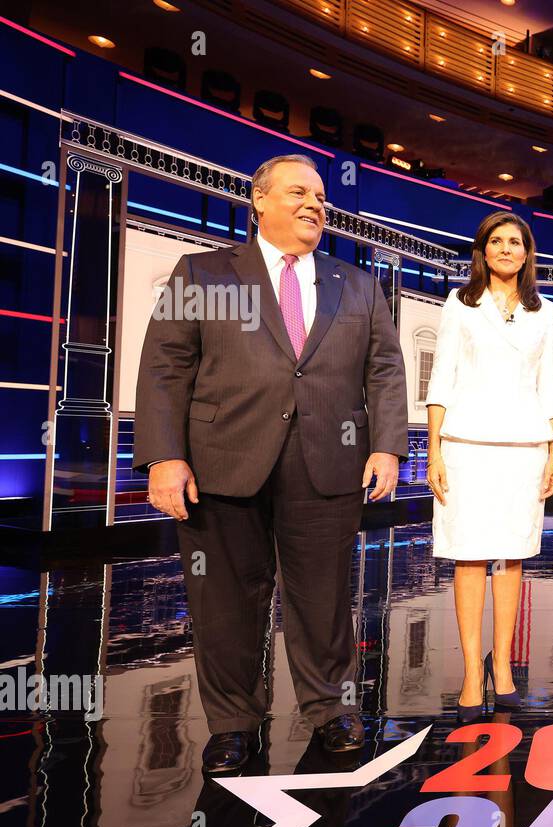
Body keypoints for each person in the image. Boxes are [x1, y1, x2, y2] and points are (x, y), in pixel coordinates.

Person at [134, 153, 408, 773]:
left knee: (324, 600)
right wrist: (163, 456)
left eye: (320, 196)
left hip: (327, 465)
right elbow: (164, 368)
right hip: (220, 462)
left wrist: (387, 445)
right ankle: (232, 722)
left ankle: (330, 708)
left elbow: (385, 371)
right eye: (298, 192)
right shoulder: (202, 273)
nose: (315, 203)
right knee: (225, 600)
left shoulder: (357, 284)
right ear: (257, 199)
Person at [425, 212, 553, 723]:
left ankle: (502, 666)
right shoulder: (460, 306)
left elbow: (551, 386)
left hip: (524, 447)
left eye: (516, 242)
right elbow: (440, 378)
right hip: (466, 445)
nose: (506, 249)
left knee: (510, 558)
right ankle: (467, 672)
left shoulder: (544, 312)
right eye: (497, 241)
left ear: (527, 254)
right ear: (482, 251)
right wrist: (435, 450)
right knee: (469, 557)